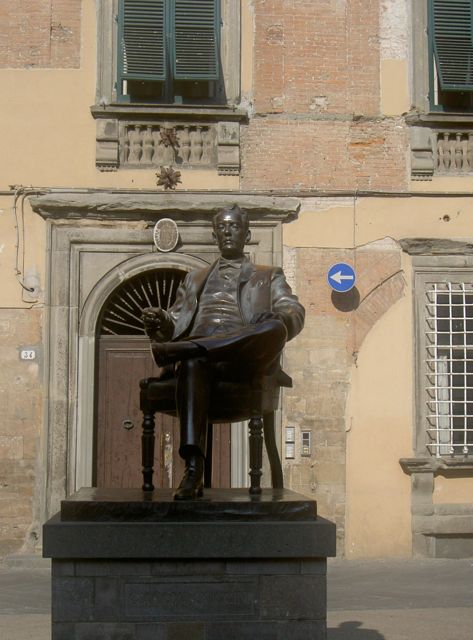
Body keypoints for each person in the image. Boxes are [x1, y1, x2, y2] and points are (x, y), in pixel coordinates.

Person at [142, 204, 305, 499]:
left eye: (235, 227)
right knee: (193, 362)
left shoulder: (268, 275)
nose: (228, 232)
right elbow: (177, 320)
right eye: (223, 227)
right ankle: (193, 470)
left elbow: (293, 311)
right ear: (214, 234)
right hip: (202, 364)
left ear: (247, 234)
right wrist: (161, 320)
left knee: (272, 327)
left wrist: (279, 319)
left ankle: (184, 350)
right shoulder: (194, 278)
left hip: (244, 361)